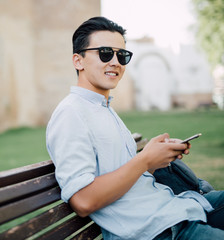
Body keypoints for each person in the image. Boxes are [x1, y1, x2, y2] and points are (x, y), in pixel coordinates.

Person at [46, 16, 224, 239]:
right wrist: (145, 159)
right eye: (105, 53)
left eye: (122, 55)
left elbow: (125, 178)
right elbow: (83, 200)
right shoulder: (71, 114)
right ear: (78, 61)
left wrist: (156, 157)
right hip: (156, 230)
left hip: (174, 211)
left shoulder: (102, 108)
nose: (115, 62)